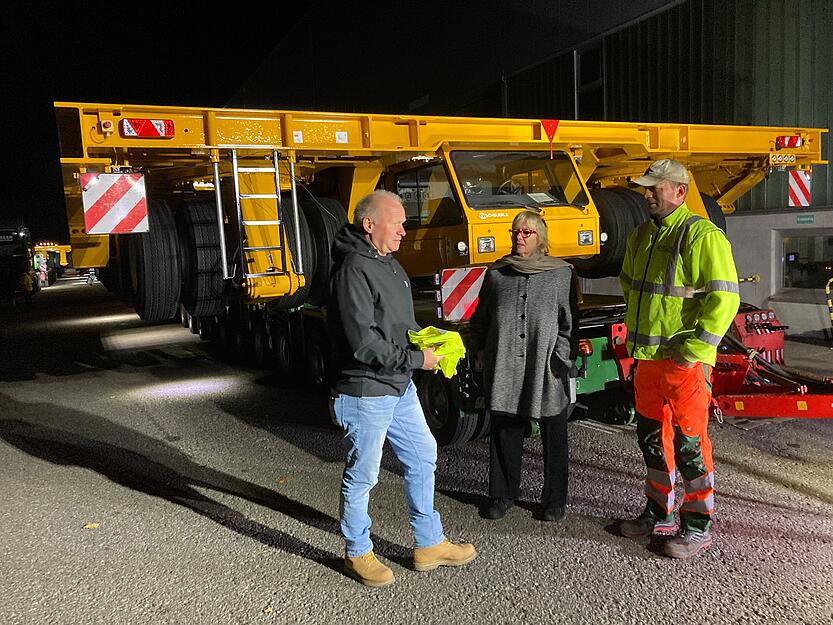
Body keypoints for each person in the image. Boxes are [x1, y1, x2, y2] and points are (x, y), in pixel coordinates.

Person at [328, 190, 477, 587]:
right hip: (365, 390)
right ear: (369, 224)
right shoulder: (353, 269)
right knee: (364, 475)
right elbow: (363, 342)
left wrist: (429, 341)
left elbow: (394, 328)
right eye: (397, 223)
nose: (404, 230)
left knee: (423, 454)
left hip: (397, 385)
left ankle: (428, 543)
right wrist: (416, 360)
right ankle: (357, 553)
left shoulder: (389, 264)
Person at [619, 159, 739, 559]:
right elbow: (632, 290)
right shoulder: (640, 237)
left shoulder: (702, 236)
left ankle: (697, 526)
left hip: (683, 363)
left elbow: (725, 300)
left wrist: (693, 352)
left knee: (690, 445)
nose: (647, 193)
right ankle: (657, 513)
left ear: (680, 192)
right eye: (646, 188)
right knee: (653, 440)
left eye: (655, 187)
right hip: (649, 362)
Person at [469, 210, 577, 523]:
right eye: (515, 232)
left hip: (545, 367)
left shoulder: (561, 274)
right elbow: (481, 318)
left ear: (540, 238)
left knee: (554, 434)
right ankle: (502, 495)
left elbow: (570, 322)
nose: (519, 237)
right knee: (504, 430)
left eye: (526, 233)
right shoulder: (498, 273)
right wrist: (478, 349)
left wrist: (561, 359)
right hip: (505, 364)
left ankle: (555, 499)